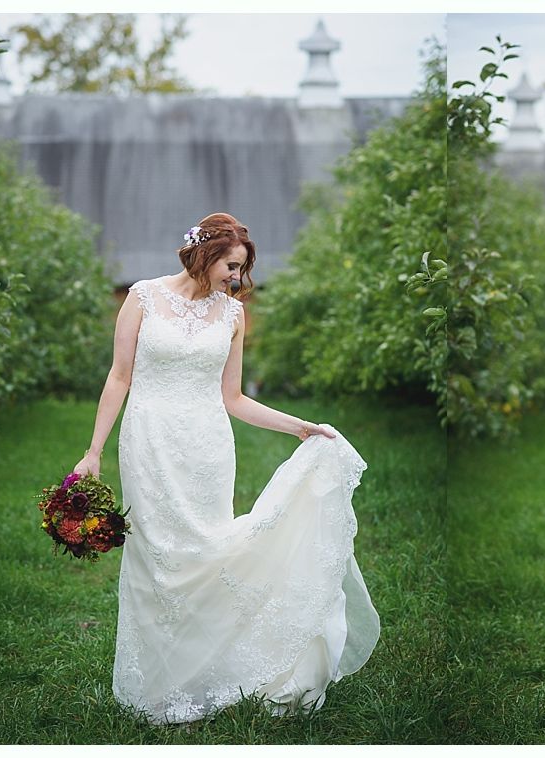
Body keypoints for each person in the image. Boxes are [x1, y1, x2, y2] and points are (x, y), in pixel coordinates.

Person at [72, 212, 379, 724]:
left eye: (240, 269)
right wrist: (93, 451)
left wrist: (299, 427)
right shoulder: (143, 297)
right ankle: (157, 684)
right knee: (157, 560)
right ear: (205, 253)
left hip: (208, 446)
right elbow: (120, 377)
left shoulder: (232, 315)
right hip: (148, 440)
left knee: (207, 551)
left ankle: (209, 670)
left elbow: (233, 398)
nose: (235, 278)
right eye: (230, 266)